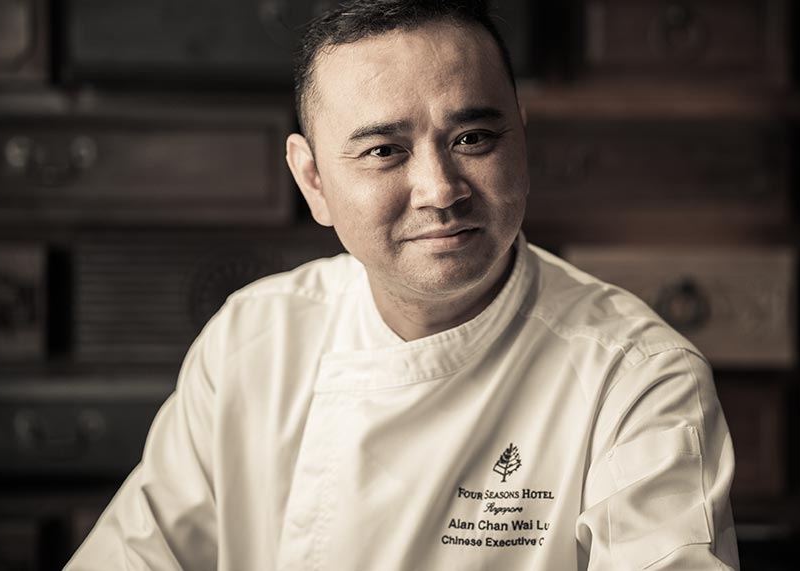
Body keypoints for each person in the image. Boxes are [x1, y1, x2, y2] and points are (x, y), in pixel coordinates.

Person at [66, 1, 739, 569]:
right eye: (384, 151)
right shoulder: (252, 341)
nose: (440, 190)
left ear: (521, 141)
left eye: (473, 138)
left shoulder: (638, 378)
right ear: (313, 180)